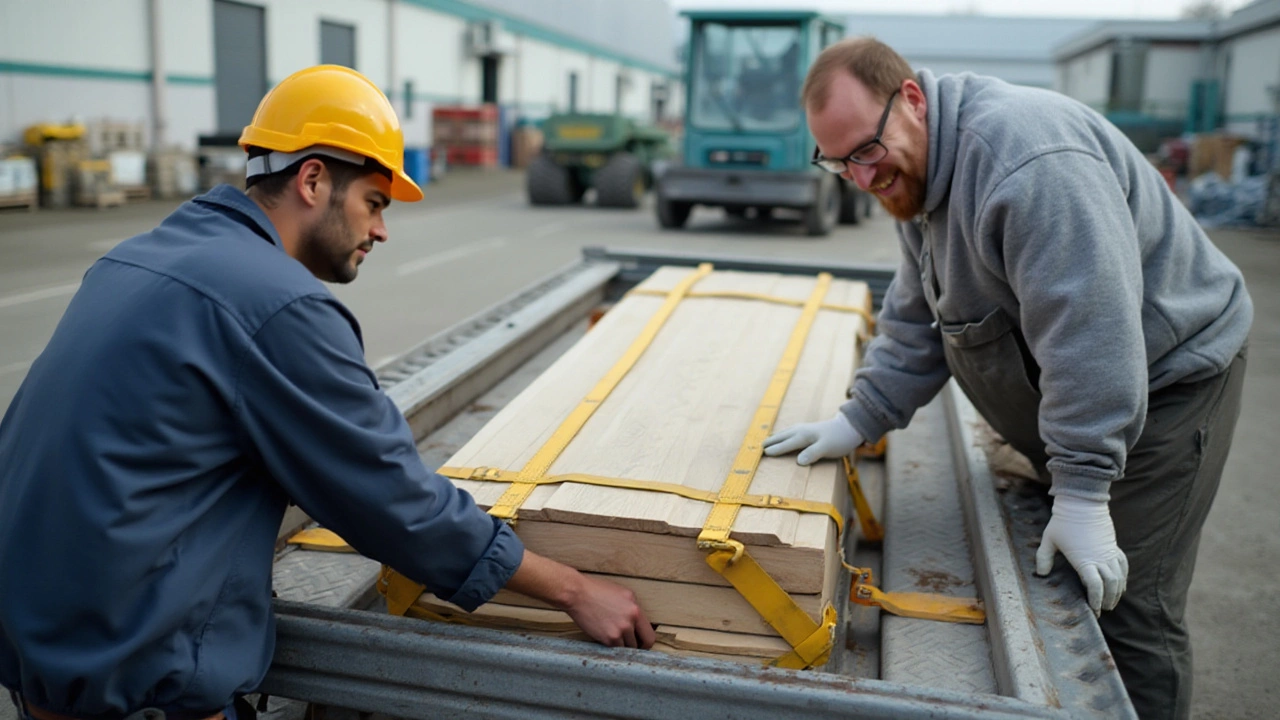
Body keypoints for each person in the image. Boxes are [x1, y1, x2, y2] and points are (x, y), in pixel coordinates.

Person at [0, 65, 653, 720]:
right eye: (374, 202)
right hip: (135, 689)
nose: (382, 231)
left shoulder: (138, 256)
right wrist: (573, 588)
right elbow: (394, 501)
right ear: (312, 179)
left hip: (46, 669)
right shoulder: (274, 302)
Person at [764, 38, 1251, 720]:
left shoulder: (1029, 165)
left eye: (865, 152)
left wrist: (1082, 490)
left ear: (911, 99)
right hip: (1093, 393)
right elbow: (917, 315)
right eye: (838, 163)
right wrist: (859, 417)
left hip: (1169, 388)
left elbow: (1093, 336)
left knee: (1126, 607)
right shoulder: (923, 180)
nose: (861, 178)